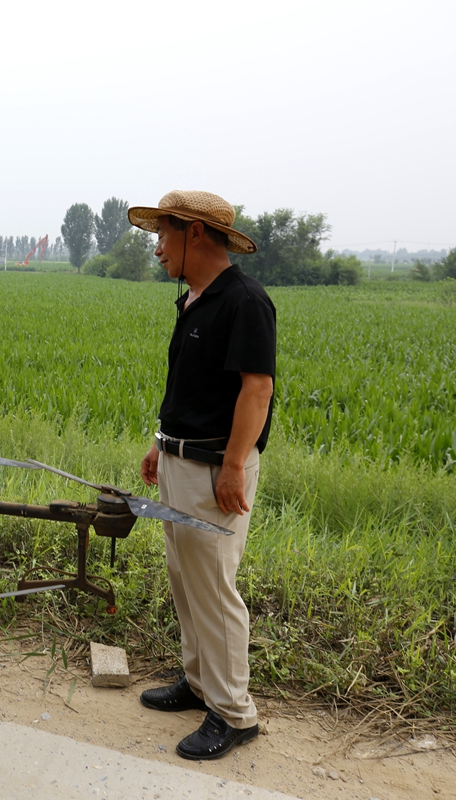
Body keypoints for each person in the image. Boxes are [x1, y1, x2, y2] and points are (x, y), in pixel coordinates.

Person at [128, 190, 275, 760]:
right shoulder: (194, 298)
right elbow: (191, 388)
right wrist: (160, 444)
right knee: (185, 578)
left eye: (163, 235)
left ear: (194, 233)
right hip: (180, 459)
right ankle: (198, 683)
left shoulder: (245, 301)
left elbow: (255, 389)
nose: (158, 248)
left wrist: (234, 466)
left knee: (213, 589)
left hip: (216, 469)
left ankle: (234, 713)